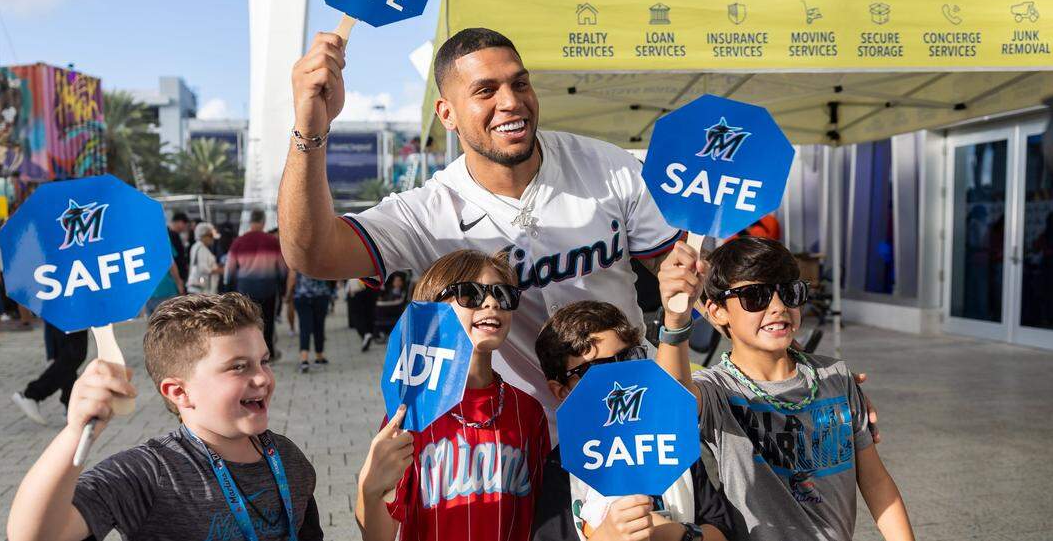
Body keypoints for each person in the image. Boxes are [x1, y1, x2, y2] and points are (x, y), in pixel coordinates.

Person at [280, 27, 684, 409]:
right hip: (518, 442)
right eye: (486, 91)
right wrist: (309, 131)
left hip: (632, 414)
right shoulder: (429, 211)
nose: (510, 101)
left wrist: (682, 276)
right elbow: (313, 254)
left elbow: (671, 266)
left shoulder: (606, 164)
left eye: (520, 83)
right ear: (447, 113)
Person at [654, 236, 914, 541]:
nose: (778, 307)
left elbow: (876, 482)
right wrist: (675, 319)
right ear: (716, 311)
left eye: (790, 292)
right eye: (755, 296)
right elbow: (670, 405)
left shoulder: (836, 377)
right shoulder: (717, 390)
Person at [6, 293, 324, 541]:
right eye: (238, 366)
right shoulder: (151, 472)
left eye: (264, 361)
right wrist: (76, 432)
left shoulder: (287, 457)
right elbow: (35, 534)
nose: (262, 378)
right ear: (178, 393)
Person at [356, 249, 549, 541]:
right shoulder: (411, 414)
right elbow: (378, 535)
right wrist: (370, 490)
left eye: (504, 294)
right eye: (470, 293)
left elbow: (540, 517)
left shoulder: (528, 411)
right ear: (434, 307)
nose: (491, 302)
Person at [532, 301, 732, 541]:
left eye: (628, 357)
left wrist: (676, 533)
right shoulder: (560, 467)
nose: (618, 376)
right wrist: (606, 536)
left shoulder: (670, 441)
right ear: (562, 391)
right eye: (595, 370)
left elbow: (723, 531)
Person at [225, 210, 287, 360]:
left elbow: (230, 270)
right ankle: (269, 353)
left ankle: (249, 354)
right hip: (268, 289)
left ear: (250, 221)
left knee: (247, 323)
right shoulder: (272, 242)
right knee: (267, 322)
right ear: (264, 222)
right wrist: (283, 286)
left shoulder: (239, 242)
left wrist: (227, 289)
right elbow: (282, 268)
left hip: (245, 290)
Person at [11, 322, 89, 426]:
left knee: (67, 354)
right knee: (73, 354)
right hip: (72, 311)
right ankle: (33, 395)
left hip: (63, 312)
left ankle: (70, 406)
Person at [285, 270, 334, 373]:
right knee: (319, 326)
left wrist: (288, 293)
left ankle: (304, 359)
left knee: (304, 327)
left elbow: (292, 276)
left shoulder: (297, 256)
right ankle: (319, 356)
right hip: (321, 294)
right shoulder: (323, 255)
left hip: (302, 295)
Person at [186, 222, 222, 294]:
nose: (212, 239)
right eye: (210, 236)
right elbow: (203, 268)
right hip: (201, 290)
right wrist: (219, 270)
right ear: (203, 236)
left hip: (199, 289)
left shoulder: (197, 247)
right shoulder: (201, 248)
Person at [346, 278, 379, 351]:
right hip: (371, 285)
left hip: (358, 286)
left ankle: (365, 334)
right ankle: (368, 333)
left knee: (356, 315)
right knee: (368, 312)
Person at [167, 211, 190, 292]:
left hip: (175, 277)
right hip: (174, 278)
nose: (185, 228)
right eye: (185, 225)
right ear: (179, 222)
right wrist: (179, 281)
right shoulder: (172, 236)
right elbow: (173, 259)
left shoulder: (170, 234)